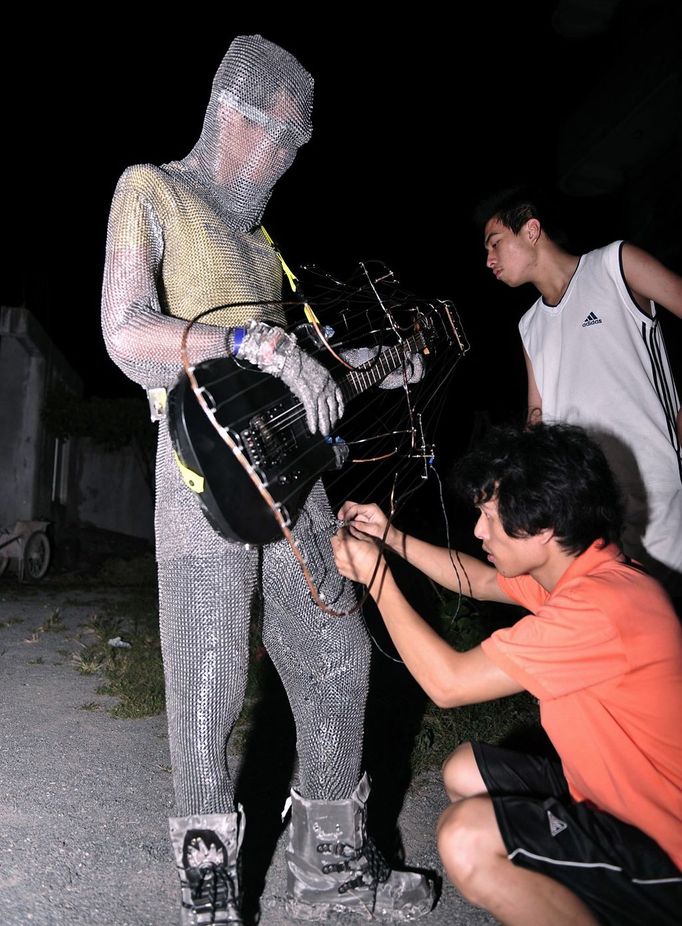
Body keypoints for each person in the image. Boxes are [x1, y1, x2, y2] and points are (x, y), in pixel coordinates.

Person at [101, 34, 434, 925]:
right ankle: (207, 889)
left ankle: (328, 863)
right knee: (208, 679)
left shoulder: (263, 247)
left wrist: (363, 364)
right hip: (198, 472)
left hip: (288, 481)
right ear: (227, 115)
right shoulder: (152, 190)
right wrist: (244, 342)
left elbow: (292, 375)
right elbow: (126, 332)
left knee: (338, 656)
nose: (286, 158)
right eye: (277, 136)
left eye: (298, 143)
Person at [331, 422, 682, 926]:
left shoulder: (600, 611)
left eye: (489, 517)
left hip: (662, 853)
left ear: (541, 529)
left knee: (466, 838)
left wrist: (376, 577)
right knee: (465, 771)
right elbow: (478, 580)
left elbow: (448, 684)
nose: (478, 530)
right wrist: (390, 538)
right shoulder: (587, 572)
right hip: (607, 799)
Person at [478, 186, 682, 598]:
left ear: (532, 229)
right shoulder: (529, 325)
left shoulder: (615, 265)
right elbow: (537, 417)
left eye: (495, 243)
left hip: (662, 486)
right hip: (592, 512)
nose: (489, 261)